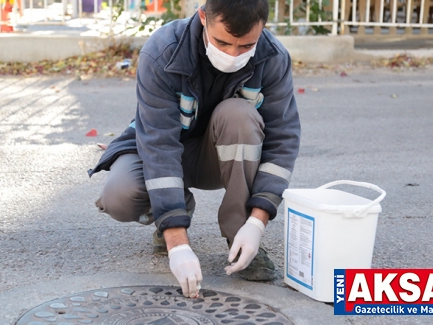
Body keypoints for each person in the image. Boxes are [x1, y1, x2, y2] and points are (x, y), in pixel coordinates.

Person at [88, 0, 300, 299]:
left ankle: (238, 235)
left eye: (245, 46)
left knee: (239, 115)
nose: (232, 55)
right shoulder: (162, 51)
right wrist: (177, 241)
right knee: (120, 196)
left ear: (262, 27)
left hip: (218, 156)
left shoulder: (272, 57)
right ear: (203, 17)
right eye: (223, 42)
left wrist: (257, 221)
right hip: (160, 151)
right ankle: (174, 209)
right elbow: (159, 145)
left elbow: (282, 141)